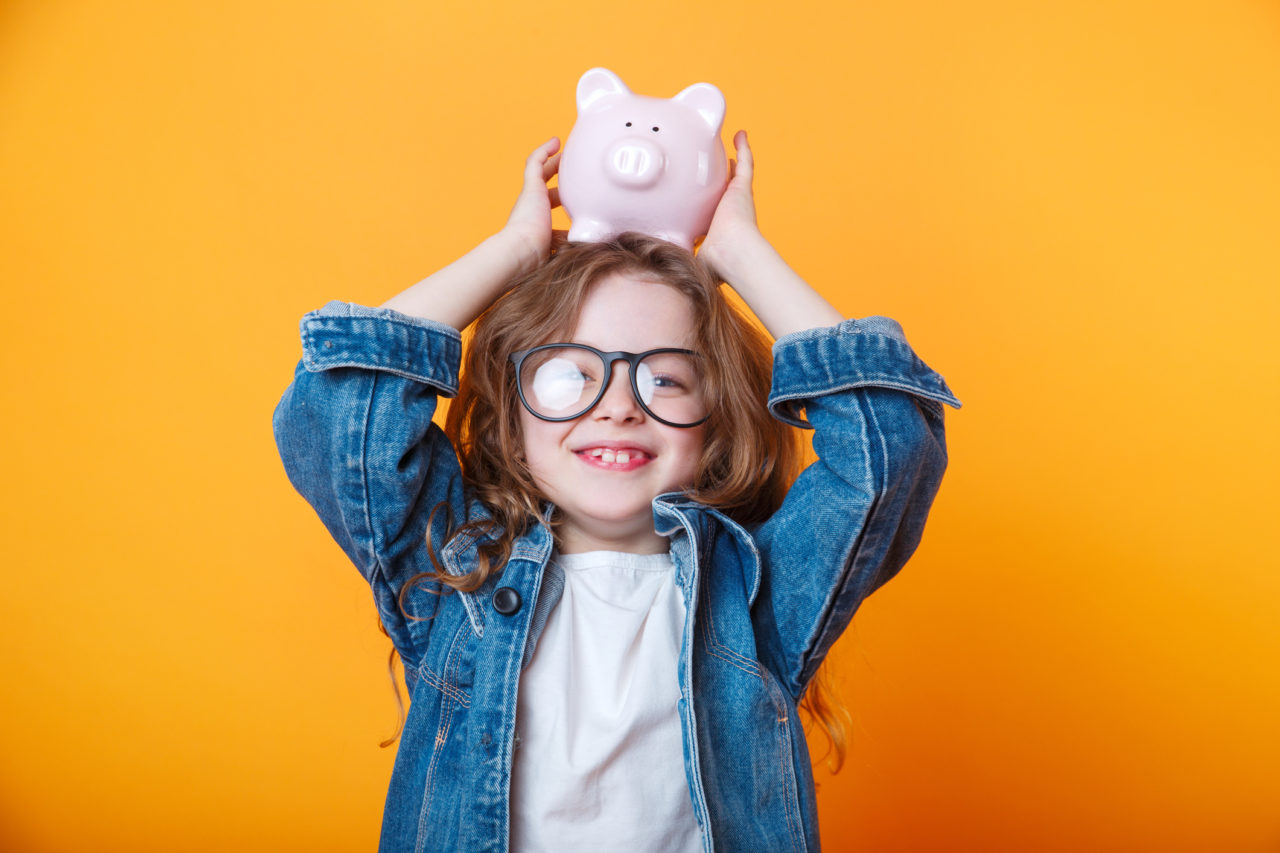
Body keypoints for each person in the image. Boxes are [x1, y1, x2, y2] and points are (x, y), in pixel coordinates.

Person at [274, 131, 960, 852]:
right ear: (513, 425)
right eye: (571, 374)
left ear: (715, 425)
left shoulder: (757, 599)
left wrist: (740, 256)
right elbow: (335, 410)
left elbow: (890, 444)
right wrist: (513, 251)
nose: (618, 404)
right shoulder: (457, 576)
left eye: (664, 377)